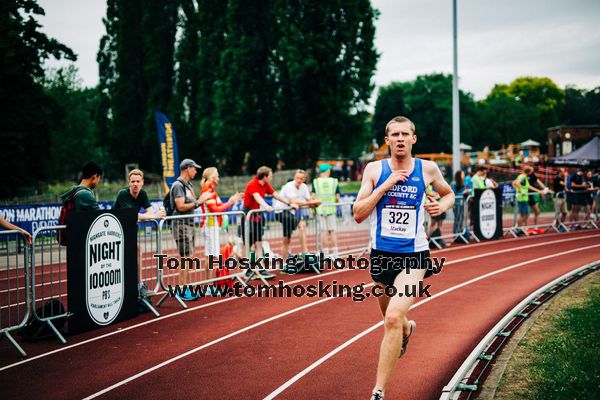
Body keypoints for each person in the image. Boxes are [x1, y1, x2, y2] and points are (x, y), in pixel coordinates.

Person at [353, 116, 454, 400]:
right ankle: (409, 329)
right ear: (386, 141)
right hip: (381, 256)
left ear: (413, 139)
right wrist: (384, 187)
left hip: (414, 256)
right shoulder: (374, 170)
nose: (399, 138)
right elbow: (358, 213)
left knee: (393, 317)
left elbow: (449, 194)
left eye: (404, 134)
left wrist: (440, 205)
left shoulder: (428, 168)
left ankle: (378, 391)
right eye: (394, 134)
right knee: (392, 319)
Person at [112, 169, 166, 297]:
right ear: (129, 183)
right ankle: (129, 286)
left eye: (138, 181)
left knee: (136, 252)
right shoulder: (123, 194)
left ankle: (137, 285)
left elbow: (151, 213)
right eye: (133, 182)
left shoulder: (142, 194)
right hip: (114, 230)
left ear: (142, 183)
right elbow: (132, 215)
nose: (135, 184)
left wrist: (148, 215)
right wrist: (149, 215)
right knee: (122, 257)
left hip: (128, 229)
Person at [241, 166, 295, 280]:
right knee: (247, 245)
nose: (271, 177)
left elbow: (275, 195)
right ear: (264, 176)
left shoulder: (265, 185)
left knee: (258, 243)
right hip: (248, 216)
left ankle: (261, 269)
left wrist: (288, 204)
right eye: (270, 175)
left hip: (257, 216)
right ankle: (246, 269)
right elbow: (257, 197)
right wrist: (266, 206)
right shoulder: (252, 184)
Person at [170, 159, 212, 301]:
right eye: (194, 168)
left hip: (188, 224)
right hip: (181, 224)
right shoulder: (178, 185)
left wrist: (198, 202)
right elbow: (180, 206)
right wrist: (199, 202)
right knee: (185, 258)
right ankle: (181, 289)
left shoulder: (188, 185)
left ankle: (185, 287)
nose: (196, 171)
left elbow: (192, 204)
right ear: (187, 168)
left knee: (188, 257)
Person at [199, 167, 242, 285]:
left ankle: (210, 284)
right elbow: (215, 210)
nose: (219, 178)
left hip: (212, 226)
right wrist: (231, 202)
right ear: (212, 178)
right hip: (210, 226)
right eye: (217, 175)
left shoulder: (210, 190)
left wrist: (231, 200)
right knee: (212, 257)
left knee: (211, 256)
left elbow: (219, 207)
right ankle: (209, 285)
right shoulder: (208, 190)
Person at [273, 169, 321, 258]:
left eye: (301, 179)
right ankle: (305, 251)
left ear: (304, 179)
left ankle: (284, 262)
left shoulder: (304, 187)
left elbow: (309, 200)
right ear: (294, 177)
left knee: (286, 239)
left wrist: (315, 203)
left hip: (290, 213)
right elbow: (294, 201)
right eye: (297, 178)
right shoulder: (289, 186)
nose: (299, 180)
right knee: (301, 224)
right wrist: (312, 203)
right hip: (280, 212)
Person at [312, 163, 342, 258]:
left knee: (323, 231)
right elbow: (337, 197)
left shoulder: (316, 182)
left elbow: (313, 197)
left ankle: (325, 253)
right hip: (331, 208)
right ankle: (335, 253)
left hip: (320, 209)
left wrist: (313, 209)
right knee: (332, 231)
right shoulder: (334, 181)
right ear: (327, 171)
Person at [451, 170, 470, 242]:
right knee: (457, 220)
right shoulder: (453, 184)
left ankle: (459, 233)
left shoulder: (464, 184)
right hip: (457, 204)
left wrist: (467, 192)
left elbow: (467, 192)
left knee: (461, 219)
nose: (464, 175)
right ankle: (456, 235)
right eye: (462, 174)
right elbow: (453, 194)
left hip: (463, 204)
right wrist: (463, 193)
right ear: (459, 176)